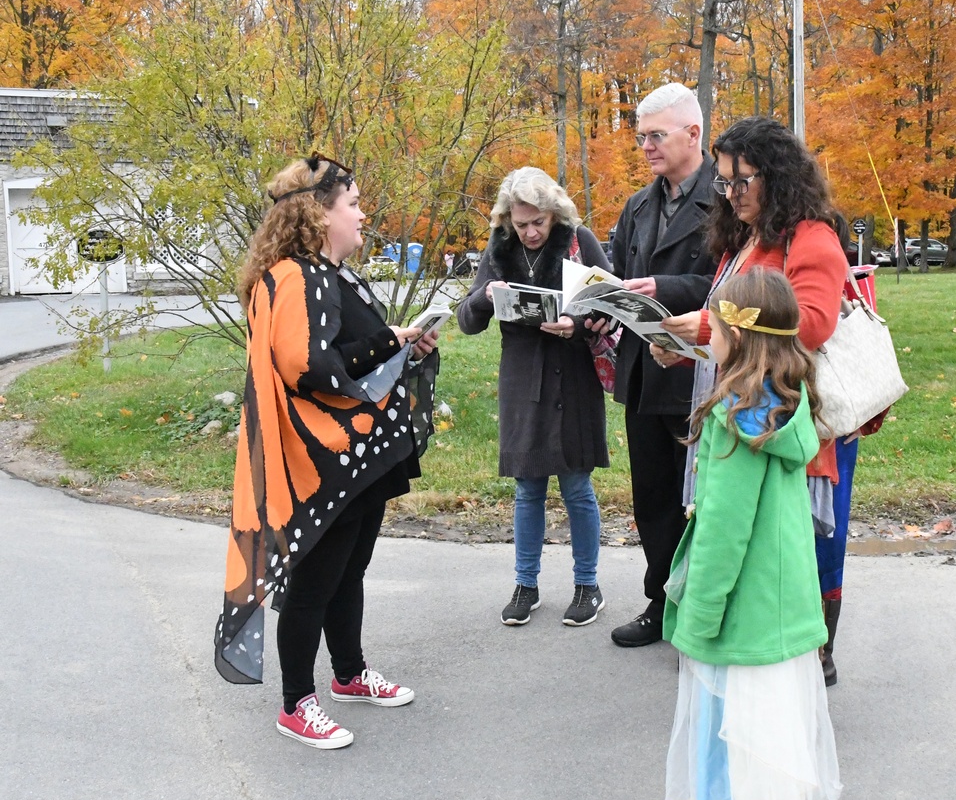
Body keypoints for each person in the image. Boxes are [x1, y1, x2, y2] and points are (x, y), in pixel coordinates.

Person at [215, 152, 439, 749]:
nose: (363, 215)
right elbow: (307, 365)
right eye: (354, 204)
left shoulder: (331, 273)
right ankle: (296, 703)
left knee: (349, 570)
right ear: (320, 214)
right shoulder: (295, 275)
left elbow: (347, 349)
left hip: (355, 455)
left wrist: (402, 348)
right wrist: (384, 345)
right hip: (322, 459)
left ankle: (349, 674)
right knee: (316, 581)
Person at [661, 267, 842, 800]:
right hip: (780, 600)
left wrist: (700, 610)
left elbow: (724, 529)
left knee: (728, 718)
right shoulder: (785, 408)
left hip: (739, 601)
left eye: (716, 321)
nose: (706, 330)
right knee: (768, 713)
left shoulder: (735, 420)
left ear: (737, 336)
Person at [656, 116, 848, 683]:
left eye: (743, 181)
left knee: (791, 538)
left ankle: (808, 654)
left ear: (778, 176)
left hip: (786, 416)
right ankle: (742, 636)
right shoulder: (750, 239)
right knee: (736, 525)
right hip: (743, 409)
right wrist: (686, 345)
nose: (731, 193)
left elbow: (810, 325)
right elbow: (735, 334)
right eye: (724, 182)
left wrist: (704, 326)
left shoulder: (811, 237)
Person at [456, 167, 610, 627]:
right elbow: (467, 319)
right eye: (521, 224)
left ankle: (588, 585)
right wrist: (486, 295)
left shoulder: (579, 239)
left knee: (577, 486)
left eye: (538, 222)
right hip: (523, 379)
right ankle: (526, 583)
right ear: (507, 220)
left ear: (554, 213)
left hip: (574, 376)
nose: (530, 232)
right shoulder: (499, 248)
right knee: (527, 487)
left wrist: (577, 325)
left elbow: (610, 300)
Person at [606, 84, 717, 648]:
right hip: (645, 371)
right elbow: (620, 270)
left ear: (693, 134)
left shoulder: (726, 199)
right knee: (650, 495)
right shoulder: (638, 205)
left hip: (698, 370)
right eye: (641, 136)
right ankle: (660, 602)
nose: (646, 146)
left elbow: (737, 287)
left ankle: (701, 610)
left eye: (657, 135)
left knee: (698, 499)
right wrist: (600, 307)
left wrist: (668, 287)